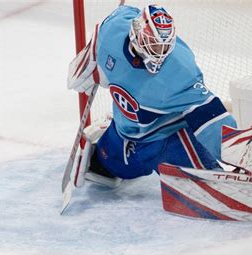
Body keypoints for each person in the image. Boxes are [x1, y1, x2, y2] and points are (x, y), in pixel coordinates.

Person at [67, 4, 236, 184]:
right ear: (137, 33)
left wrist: (235, 150)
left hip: (167, 138)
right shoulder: (113, 33)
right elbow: (119, 17)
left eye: (164, 47)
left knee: (209, 184)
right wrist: (94, 51)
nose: (159, 53)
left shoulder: (180, 69)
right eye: (153, 44)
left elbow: (209, 115)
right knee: (103, 167)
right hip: (125, 135)